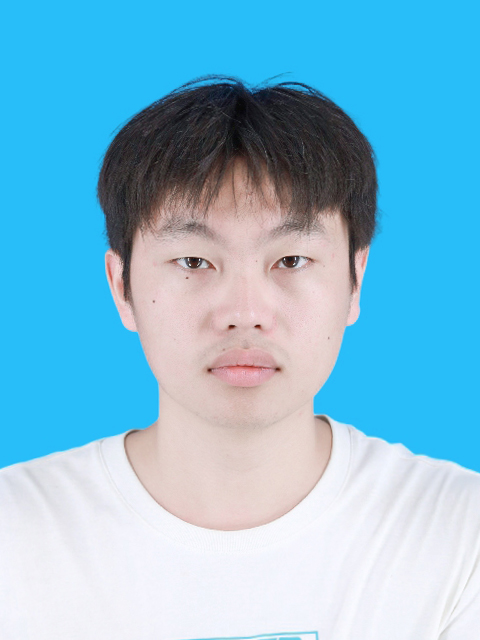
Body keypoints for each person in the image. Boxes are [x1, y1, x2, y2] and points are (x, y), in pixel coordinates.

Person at [1, 76, 479, 639]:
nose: (245, 313)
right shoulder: (16, 530)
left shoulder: (459, 533)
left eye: (292, 260)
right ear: (120, 286)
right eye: (194, 262)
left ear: (356, 279)